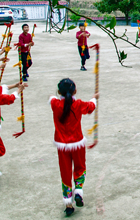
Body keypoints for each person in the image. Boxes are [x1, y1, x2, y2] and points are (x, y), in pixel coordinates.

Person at [50, 79, 97, 216]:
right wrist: (94, 98)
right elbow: (90, 107)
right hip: (77, 143)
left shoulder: (55, 104)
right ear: (75, 91)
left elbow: (52, 98)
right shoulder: (78, 104)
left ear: (59, 92)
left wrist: (55, 95)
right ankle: (78, 190)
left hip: (62, 145)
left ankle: (68, 203)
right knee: (80, 167)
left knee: (65, 172)